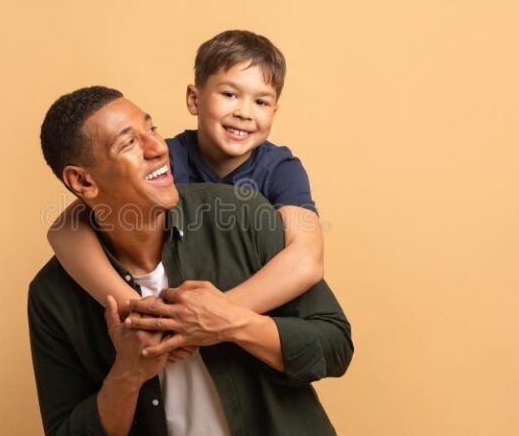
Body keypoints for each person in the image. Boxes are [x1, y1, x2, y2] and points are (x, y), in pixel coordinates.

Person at [30, 86, 353, 435]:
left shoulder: (242, 215)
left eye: (151, 129)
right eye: (129, 144)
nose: (158, 148)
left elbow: (335, 345)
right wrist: (128, 373)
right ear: (82, 180)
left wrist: (233, 323)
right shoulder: (53, 296)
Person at [47, 30, 324, 327]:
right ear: (194, 99)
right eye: (230, 95)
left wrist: (213, 315)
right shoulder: (162, 158)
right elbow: (64, 229)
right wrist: (135, 307)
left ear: (275, 111)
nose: (244, 112)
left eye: (261, 102)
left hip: (246, 324)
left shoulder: (281, 169)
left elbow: (306, 259)